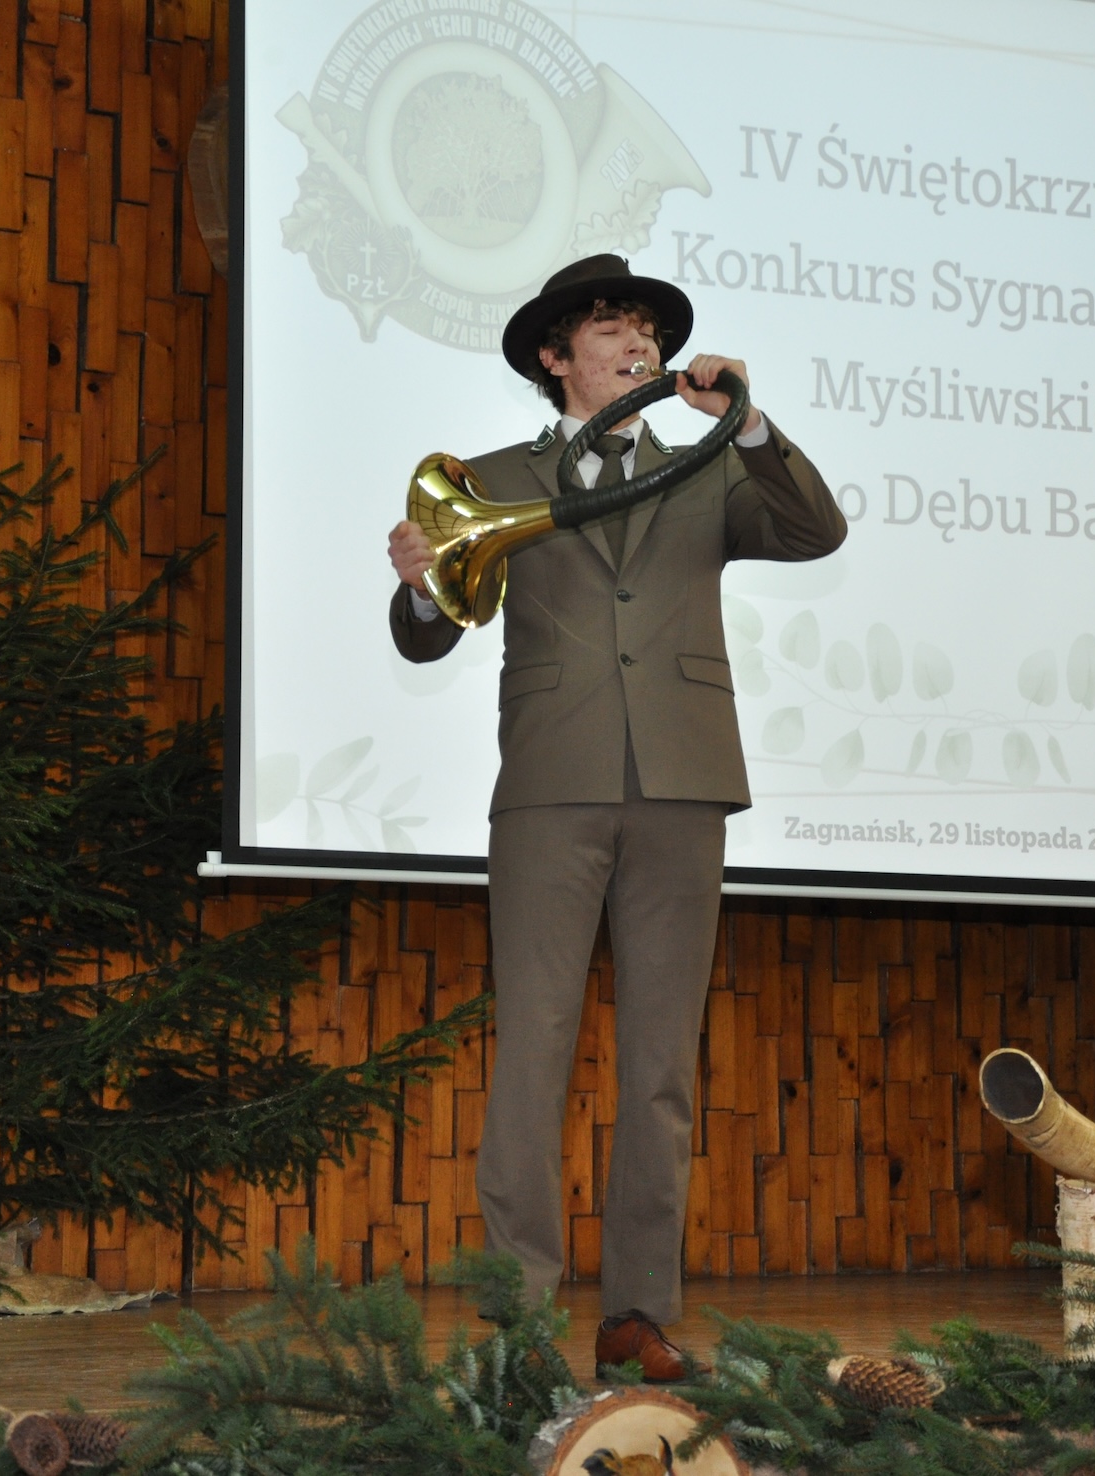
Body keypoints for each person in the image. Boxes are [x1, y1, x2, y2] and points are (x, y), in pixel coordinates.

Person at [385, 254, 846, 1380]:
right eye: (609, 329)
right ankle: (519, 1325)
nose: (637, 343)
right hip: (551, 783)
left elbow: (815, 531)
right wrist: (415, 583)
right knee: (532, 1057)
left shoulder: (705, 468)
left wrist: (746, 423)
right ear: (555, 357)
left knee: (661, 1070)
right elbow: (428, 634)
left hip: (684, 781)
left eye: (646, 328)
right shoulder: (493, 477)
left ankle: (638, 1317)